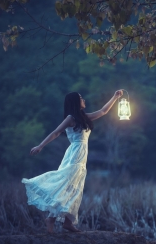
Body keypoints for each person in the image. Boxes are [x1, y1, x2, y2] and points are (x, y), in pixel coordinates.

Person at [22, 90, 123, 233]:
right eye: (81, 98)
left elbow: (103, 111)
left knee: (76, 187)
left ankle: (67, 222)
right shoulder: (70, 118)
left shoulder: (84, 118)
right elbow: (56, 132)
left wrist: (115, 96)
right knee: (67, 184)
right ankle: (51, 219)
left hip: (82, 156)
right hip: (74, 154)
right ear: (75, 102)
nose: (84, 100)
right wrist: (40, 146)